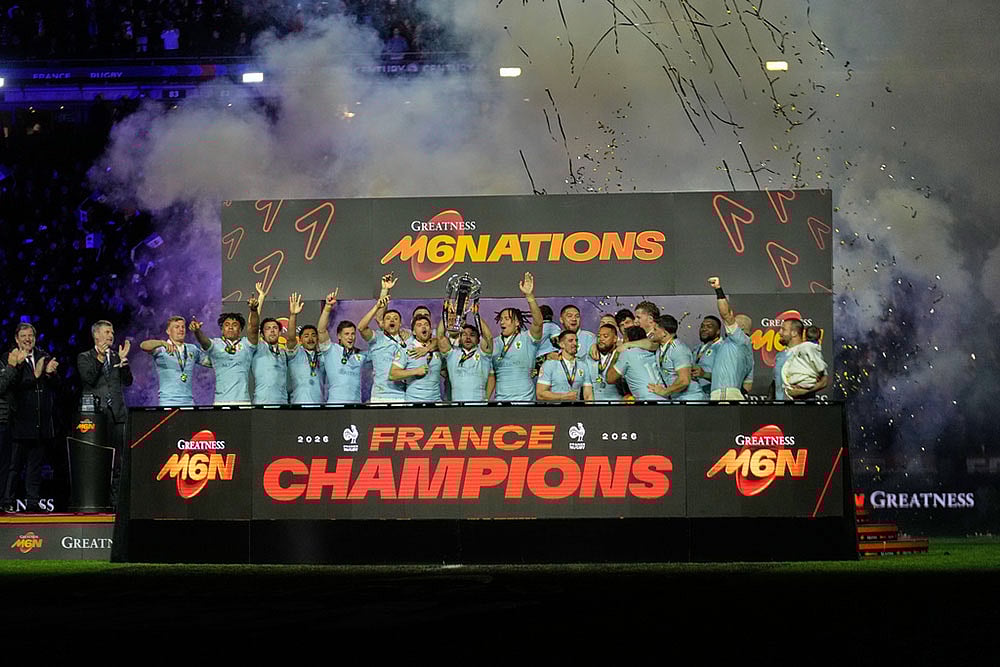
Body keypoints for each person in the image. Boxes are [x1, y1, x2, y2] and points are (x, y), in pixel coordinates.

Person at [3, 324, 60, 513]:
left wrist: (51, 374)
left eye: (30, 335)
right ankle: (6, 500)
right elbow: (11, 386)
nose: (28, 339)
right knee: (14, 465)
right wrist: (34, 376)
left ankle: (32, 502)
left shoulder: (44, 355)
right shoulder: (10, 357)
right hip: (19, 421)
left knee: (35, 465)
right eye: (23, 336)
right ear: (17, 339)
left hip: (40, 422)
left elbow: (57, 385)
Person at [77, 320, 133, 509]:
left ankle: (116, 502)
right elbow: (89, 379)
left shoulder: (117, 356)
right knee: (98, 460)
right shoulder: (84, 357)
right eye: (107, 332)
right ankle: (98, 501)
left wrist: (125, 365)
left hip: (117, 414)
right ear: (96, 335)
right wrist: (100, 359)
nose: (111, 335)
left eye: (112, 332)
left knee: (119, 460)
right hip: (96, 418)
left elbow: (128, 382)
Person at [189, 288, 260, 405]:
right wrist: (197, 331)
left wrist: (253, 310)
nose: (230, 327)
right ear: (222, 329)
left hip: (243, 402)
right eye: (227, 325)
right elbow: (204, 342)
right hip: (220, 403)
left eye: (235, 325)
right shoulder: (216, 344)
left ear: (240, 330)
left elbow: (253, 329)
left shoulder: (247, 344)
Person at [491, 272, 545, 402]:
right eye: (501, 319)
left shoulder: (527, 338)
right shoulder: (494, 343)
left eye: (507, 319)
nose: (503, 322)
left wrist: (529, 296)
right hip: (501, 401)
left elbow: (538, 323)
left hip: (525, 400)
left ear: (517, 323)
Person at [317, 289, 374, 404]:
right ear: (339, 336)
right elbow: (321, 330)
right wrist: (328, 307)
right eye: (346, 334)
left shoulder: (361, 355)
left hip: (356, 406)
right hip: (335, 406)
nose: (350, 337)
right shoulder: (330, 350)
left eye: (353, 334)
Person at [359, 274, 409, 403]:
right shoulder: (376, 338)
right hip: (379, 396)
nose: (392, 320)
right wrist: (383, 294)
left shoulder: (407, 338)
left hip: (401, 396)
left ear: (400, 323)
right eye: (388, 318)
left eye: (395, 319)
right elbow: (361, 328)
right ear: (382, 323)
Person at [140, 315, 211, 406]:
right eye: (177, 327)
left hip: (189, 402)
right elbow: (143, 345)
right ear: (168, 331)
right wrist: (161, 342)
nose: (181, 329)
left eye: (183, 327)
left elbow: (211, 363)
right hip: (168, 401)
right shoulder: (161, 349)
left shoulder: (192, 349)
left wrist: (199, 333)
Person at [707, 277, 754, 400]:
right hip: (733, 394)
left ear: (741, 327)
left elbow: (726, 315)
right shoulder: (747, 351)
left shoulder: (740, 338)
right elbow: (748, 386)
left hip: (724, 394)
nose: (727, 325)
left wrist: (718, 289)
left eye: (735, 322)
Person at [437, 302, 494, 403]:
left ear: (477, 339)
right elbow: (440, 336)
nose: (468, 337)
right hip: (457, 406)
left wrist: (476, 314)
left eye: (472, 335)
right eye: (464, 334)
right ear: (459, 337)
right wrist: (448, 313)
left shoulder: (483, 354)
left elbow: (488, 337)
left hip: (479, 405)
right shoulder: (452, 354)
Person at [646, 315, 704, 401]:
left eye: (655, 329)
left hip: (691, 399)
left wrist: (664, 392)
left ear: (664, 333)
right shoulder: (660, 349)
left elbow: (684, 380)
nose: (652, 332)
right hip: (677, 399)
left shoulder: (678, 349)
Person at [251, 285, 292, 405]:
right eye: (268, 328)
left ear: (280, 332)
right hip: (262, 402)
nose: (272, 330)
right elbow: (253, 326)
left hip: (283, 403)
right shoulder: (258, 347)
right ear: (262, 333)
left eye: (275, 328)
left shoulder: (284, 352)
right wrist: (261, 298)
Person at [390, 315, 443, 402]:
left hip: (436, 402)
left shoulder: (438, 348)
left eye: (426, 324)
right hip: (414, 403)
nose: (423, 326)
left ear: (430, 330)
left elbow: (442, 339)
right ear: (414, 332)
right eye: (419, 325)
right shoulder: (407, 350)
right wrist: (415, 371)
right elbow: (392, 374)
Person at [607, 326, 666, 402]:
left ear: (627, 339)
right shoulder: (655, 351)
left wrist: (616, 354)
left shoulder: (627, 354)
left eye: (623, 339)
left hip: (647, 402)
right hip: (665, 399)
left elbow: (610, 378)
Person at [536, 330, 594, 402]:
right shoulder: (549, 364)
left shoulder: (583, 366)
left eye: (576, 340)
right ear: (561, 344)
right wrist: (563, 397)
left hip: (576, 410)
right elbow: (540, 394)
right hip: (555, 410)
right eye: (570, 341)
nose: (575, 343)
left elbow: (588, 396)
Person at [779, 318, 829, 399]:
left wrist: (804, 392)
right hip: (780, 408)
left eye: (783, 329)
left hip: (804, 408)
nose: (779, 332)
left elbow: (824, 381)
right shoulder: (779, 356)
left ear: (794, 333)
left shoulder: (809, 352)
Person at [584, 323, 623, 401]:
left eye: (605, 336)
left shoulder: (621, 356)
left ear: (615, 339)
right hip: (595, 406)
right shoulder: (589, 358)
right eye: (599, 336)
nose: (601, 339)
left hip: (617, 405)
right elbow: (587, 392)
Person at [690, 316, 722, 399]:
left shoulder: (723, 348)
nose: (704, 329)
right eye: (702, 326)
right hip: (694, 395)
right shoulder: (696, 349)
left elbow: (727, 378)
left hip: (712, 398)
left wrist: (704, 374)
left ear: (718, 331)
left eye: (709, 327)